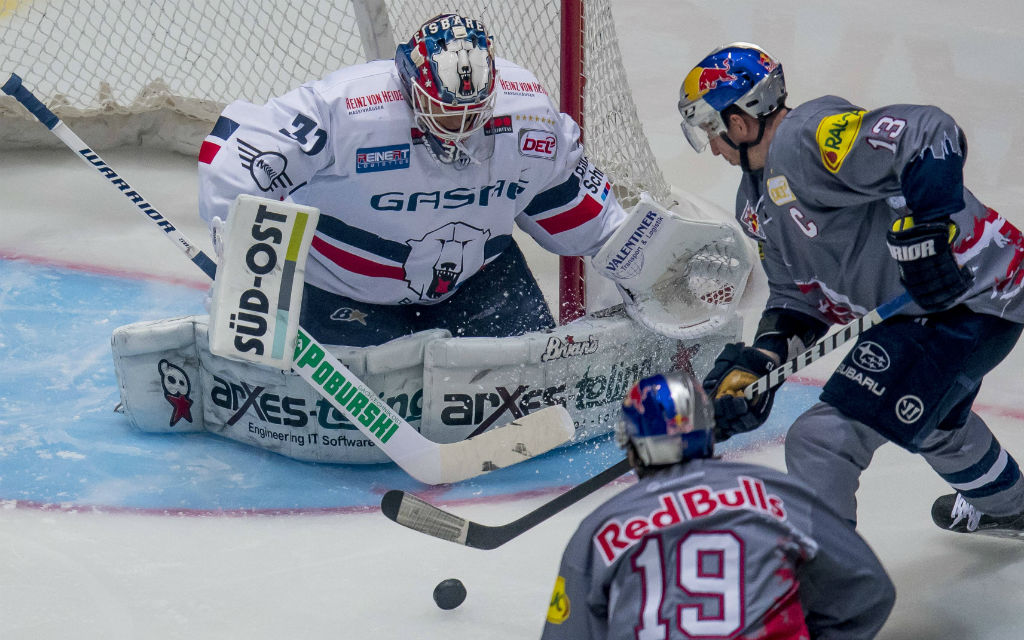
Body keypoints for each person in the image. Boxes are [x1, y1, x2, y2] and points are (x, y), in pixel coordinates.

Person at [678, 42, 1024, 536]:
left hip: (966, 295)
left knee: (821, 440)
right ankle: (1009, 505)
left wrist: (929, 228)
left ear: (739, 123)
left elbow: (928, 131)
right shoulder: (754, 203)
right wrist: (760, 365)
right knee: (937, 425)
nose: (711, 147)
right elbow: (796, 300)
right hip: (923, 313)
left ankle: (836, 593)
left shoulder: (806, 138)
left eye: (711, 130)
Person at [197, 13, 627, 347]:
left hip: (476, 281)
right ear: (410, 85)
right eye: (445, 110)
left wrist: (636, 259)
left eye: (473, 113)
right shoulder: (348, 109)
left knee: (533, 380)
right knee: (359, 407)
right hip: (342, 289)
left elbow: (570, 202)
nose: (460, 126)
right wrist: (248, 268)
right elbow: (239, 159)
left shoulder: (526, 113)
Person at [540, 372, 894, 640]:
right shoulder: (778, 494)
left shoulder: (600, 528)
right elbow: (868, 588)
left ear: (631, 445)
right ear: (709, 429)